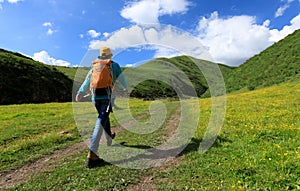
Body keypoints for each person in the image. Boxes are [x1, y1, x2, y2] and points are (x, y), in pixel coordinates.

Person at [75, 47, 127, 168]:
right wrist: (125, 88)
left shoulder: (95, 66)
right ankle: (92, 153)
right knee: (101, 120)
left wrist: (80, 92)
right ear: (110, 55)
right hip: (107, 98)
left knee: (104, 117)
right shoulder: (114, 65)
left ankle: (109, 138)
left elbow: (88, 79)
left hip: (95, 99)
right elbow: (123, 79)